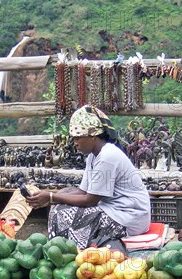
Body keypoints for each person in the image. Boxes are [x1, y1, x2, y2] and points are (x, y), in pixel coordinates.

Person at [26, 105, 151, 250]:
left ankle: (72, 253)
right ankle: (61, 249)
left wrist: (51, 196)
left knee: (65, 215)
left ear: (93, 136)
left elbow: (90, 200)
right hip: (111, 209)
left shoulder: (107, 156)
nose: (75, 143)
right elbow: (82, 192)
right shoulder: (93, 156)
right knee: (62, 199)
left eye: (78, 138)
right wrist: (50, 198)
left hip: (129, 217)